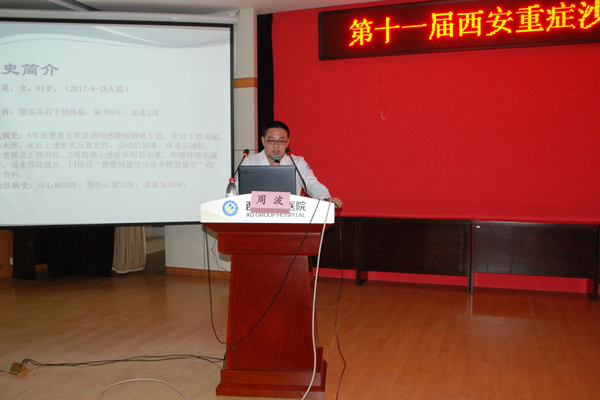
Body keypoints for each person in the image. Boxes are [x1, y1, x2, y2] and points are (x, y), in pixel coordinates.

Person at [242, 121, 343, 208]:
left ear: (288, 142)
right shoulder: (250, 162)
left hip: (290, 215)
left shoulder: (297, 162)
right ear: (263, 141)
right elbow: (238, 189)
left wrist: (324, 198)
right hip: (257, 215)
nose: (276, 146)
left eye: (281, 141)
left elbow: (310, 183)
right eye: (271, 141)